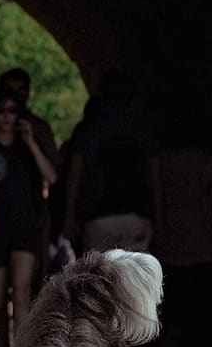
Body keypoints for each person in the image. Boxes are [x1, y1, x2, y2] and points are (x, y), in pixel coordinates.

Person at [0, 88, 59, 347]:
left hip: (25, 225)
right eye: (1, 111)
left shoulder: (27, 145)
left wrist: (31, 142)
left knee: (22, 291)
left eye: (12, 111)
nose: (7, 117)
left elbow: (52, 177)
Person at [62, 73, 162, 252]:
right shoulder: (141, 130)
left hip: (98, 215)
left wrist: (69, 215)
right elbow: (155, 177)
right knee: (135, 277)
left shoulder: (89, 130)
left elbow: (74, 175)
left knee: (98, 275)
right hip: (137, 215)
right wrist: (159, 218)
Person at [159, 132, 212, 347]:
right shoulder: (204, 161)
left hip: (172, 238)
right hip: (201, 239)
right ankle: (202, 345)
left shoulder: (163, 162)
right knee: (203, 296)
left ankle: (180, 344)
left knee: (176, 296)